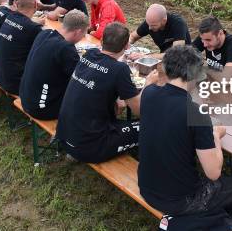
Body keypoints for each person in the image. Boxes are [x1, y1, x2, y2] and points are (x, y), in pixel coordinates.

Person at [138, 45, 232, 231]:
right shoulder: (196, 113)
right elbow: (213, 173)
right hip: (180, 201)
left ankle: (210, 217)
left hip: (147, 187)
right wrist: (215, 135)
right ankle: (224, 225)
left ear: (167, 68)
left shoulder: (149, 93)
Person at [56, 22, 158, 164]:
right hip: (91, 147)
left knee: (117, 107)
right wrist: (148, 84)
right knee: (153, 125)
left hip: (64, 135)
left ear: (102, 41)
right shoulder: (120, 69)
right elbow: (140, 110)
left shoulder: (89, 54)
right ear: (126, 47)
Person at [19, 10, 89, 120]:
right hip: (42, 109)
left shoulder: (44, 33)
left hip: (26, 98)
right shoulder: (66, 49)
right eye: (83, 35)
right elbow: (82, 79)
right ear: (78, 32)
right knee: (86, 93)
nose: (82, 38)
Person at [0, 0, 44, 96]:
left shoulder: (9, 17)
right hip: (16, 84)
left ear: (16, 3)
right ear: (35, 4)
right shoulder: (33, 28)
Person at [192, 16, 232, 81]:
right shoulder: (205, 38)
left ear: (220, 33)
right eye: (202, 39)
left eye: (208, 40)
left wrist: (206, 69)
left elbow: (226, 80)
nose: (205, 44)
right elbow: (184, 56)